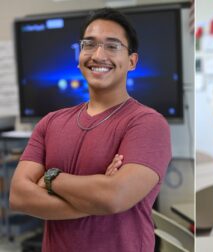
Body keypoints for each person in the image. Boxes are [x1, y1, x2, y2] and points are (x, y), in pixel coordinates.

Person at [10, 8, 171, 252]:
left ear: (132, 61)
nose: (98, 55)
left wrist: (50, 179)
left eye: (112, 46)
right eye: (89, 44)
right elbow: (19, 196)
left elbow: (115, 196)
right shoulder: (50, 122)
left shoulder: (148, 124)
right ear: (79, 56)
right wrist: (96, 198)